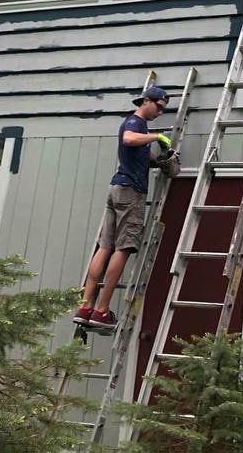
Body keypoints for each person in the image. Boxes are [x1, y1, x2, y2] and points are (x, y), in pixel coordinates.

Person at [73, 87, 173, 332]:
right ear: (146, 101)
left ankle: (85, 307)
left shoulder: (139, 126)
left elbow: (138, 154)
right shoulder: (135, 122)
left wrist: (159, 161)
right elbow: (129, 139)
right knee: (124, 247)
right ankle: (101, 311)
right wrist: (157, 137)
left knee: (105, 246)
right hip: (130, 192)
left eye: (164, 109)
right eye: (159, 106)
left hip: (117, 187)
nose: (161, 112)